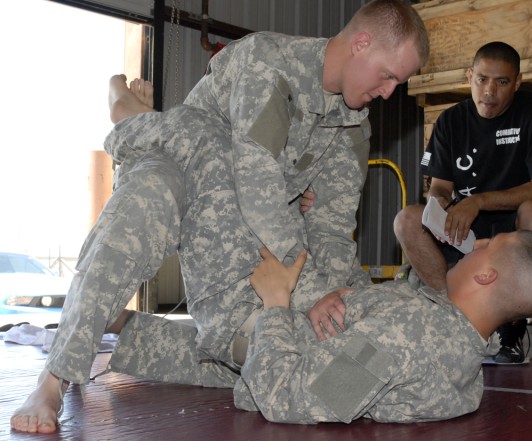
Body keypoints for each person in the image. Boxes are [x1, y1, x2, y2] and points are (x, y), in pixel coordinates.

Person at [10, 0, 429, 433]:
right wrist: (308, 294)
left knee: (252, 350)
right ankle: (54, 377)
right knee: (142, 208)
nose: (390, 92)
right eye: (389, 75)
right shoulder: (269, 63)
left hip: (243, 224)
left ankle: (120, 327)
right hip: (186, 168)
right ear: (361, 43)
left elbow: (332, 226)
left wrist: (339, 302)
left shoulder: (352, 123)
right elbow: (258, 188)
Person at [236, 229, 532, 423]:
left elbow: (283, 399)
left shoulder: (401, 339)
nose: (476, 244)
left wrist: (275, 302)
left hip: (259, 346)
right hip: (283, 336)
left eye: (489, 245)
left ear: (486, 276)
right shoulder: (455, 339)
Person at [392, 41, 532, 364]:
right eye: (481, 79)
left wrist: (477, 201)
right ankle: (456, 318)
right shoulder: (451, 121)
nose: (489, 91)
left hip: (521, 225)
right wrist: (440, 208)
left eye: (502, 82)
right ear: (469, 76)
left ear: (517, 82)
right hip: (470, 223)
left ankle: (509, 333)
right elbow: (440, 187)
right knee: (408, 219)